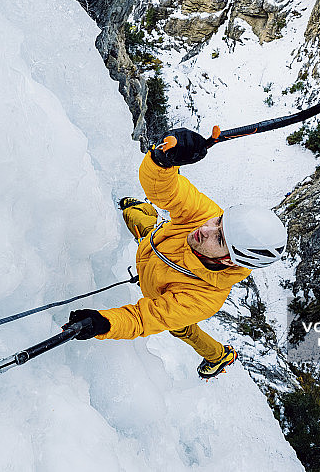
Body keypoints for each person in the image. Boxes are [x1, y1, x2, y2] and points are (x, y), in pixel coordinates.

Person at [67, 128, 287, 379]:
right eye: (219, 221)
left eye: (219, 238)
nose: (205, 228)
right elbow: (168, 191)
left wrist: (104, 323)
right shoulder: (205, 215)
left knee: (181, 330)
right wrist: (163, 162)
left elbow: (144, 317)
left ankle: (219, 356)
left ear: (228, 260)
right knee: (133, 215)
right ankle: (144, 211)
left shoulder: (202, 299)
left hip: (158, 284)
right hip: (154, 245)